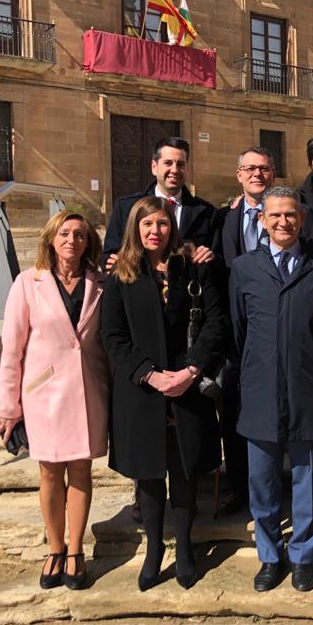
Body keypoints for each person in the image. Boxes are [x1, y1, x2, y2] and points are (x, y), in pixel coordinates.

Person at [101, 196, 226, 592]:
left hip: (187, 385)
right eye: (147, 224)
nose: (155, 231)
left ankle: (185, 547)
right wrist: (150, 376)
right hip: (143, 392)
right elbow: (113, 336)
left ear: (173, 226)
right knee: (149, 476)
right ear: (135, 229)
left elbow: (216, 322)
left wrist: (191, 370)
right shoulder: (121, 275)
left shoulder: (193, 266)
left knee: (185, 471)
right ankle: (154, 550)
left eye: (162, 223)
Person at [0, 210, 107, 591]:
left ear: (88, 242)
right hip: (44, 394)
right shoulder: (28, 283)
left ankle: (76, 550)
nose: (72, 240)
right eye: (65, 233)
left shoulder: (100, 283)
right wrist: (8, 404)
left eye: (80, 234)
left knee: (81, 471)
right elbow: (12, 348)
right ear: (51, 239)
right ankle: (55, 547)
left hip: (88, 390)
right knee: (50, 473)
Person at [230, 186, 313, 594]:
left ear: (302, 219)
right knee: (262, 480)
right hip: (260, 388)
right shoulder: (244, 268)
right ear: (262, 220)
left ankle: (303, 555)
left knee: (306, 478)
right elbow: (239, 330)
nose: (283, 222)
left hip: (308, 386)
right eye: (274, 215)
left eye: (290, 214)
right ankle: (270, 556)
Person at [103, 136, 217, 264]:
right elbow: (109, 256)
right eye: (168, 163)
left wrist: (210, 257)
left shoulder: (208, 213)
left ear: (187, 169)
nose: (174, 170)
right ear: (154, 167)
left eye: (180, 164)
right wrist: (115, 263)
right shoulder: (125, 207)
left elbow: (219, 258)